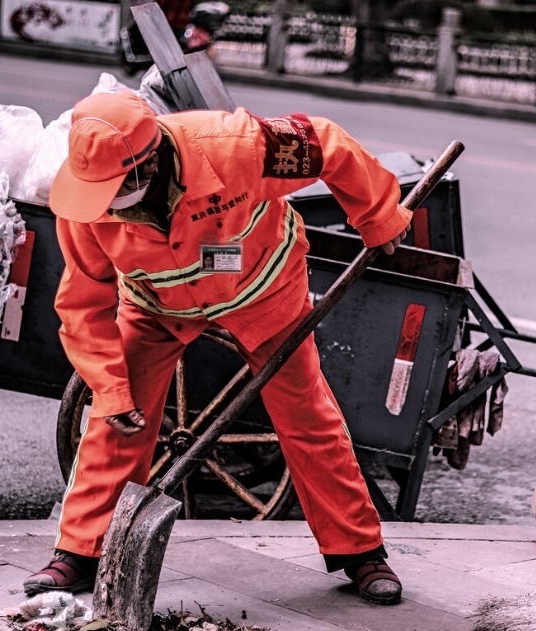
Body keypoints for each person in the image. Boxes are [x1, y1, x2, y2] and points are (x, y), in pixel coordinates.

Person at [23, 90, 411, 606]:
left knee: (306, 414)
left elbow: (328, 145)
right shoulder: (84, 203)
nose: (107, 205)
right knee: (117, 418)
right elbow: (82, 306)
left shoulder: (236, 146)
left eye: (118, 190)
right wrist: (112, 390)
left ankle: (360, 551)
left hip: (263, 290)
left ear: (150, 164)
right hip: (156, 305)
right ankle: (80, 552)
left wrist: (378, 216)